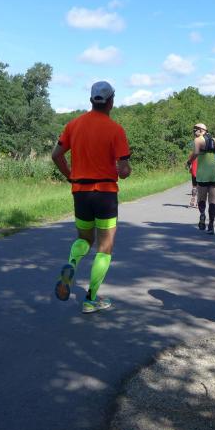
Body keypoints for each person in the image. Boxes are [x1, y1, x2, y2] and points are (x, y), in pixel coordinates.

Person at [52, 81, 131, 313]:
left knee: (84, 239)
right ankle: (90, 299)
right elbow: (124, 170)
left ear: (91, 100)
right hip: (105, 193)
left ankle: (72, 263)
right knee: (104, 248)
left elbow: (56, 155)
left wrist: (70, 176)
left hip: (80, 192)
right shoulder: (116, 130)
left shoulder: (73, 125)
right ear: (111, 101)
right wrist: (125, 170)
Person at [186, 123, 215, 234]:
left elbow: (196, 153)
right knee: (212, 201)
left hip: (202, 174)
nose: (194, 132)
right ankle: (211, 225)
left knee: (201, 199)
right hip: (214, 174)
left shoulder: (197, 140)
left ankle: (202, 215)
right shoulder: (214, 141)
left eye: (195, 129)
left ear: (201, 130)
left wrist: (189, 161)